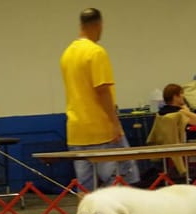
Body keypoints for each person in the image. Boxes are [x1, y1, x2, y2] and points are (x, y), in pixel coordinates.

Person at [60, 8, 139, 191]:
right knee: (121, 182)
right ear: (99, 25)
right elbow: (102, 91)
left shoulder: (67, 54)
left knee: (86, 188)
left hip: (77, 133)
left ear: (80, 25)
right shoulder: (96, 53)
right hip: (102, 130)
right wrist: (115, 123)